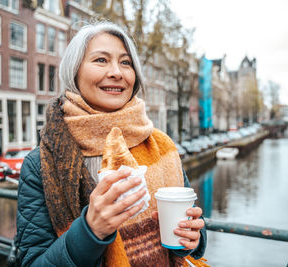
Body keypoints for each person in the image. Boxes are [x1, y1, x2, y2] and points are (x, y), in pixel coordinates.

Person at [16, 21, 207, 267]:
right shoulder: (41, 164)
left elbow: (193, 233)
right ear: (74, 72)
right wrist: (90, 231)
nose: (117, 72)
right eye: (101, 60)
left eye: (126, 62)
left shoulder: (163, 147)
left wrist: (194, 237)